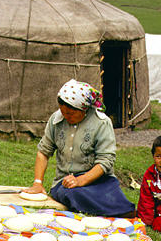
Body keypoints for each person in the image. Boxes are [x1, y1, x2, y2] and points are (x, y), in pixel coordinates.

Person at [23, 79, 135, 217]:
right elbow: (43, 152)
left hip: (98, 180)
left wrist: (80, 180)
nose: (66, 116)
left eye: (70, 113)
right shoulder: (56, 120)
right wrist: (37, 183)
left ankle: (122, 210)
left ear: (84, 109)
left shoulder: (101, 123)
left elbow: (105, 161)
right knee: (71, 193)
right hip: (67, 182)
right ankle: (116, 211)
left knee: (111, 194)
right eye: (63, 112)